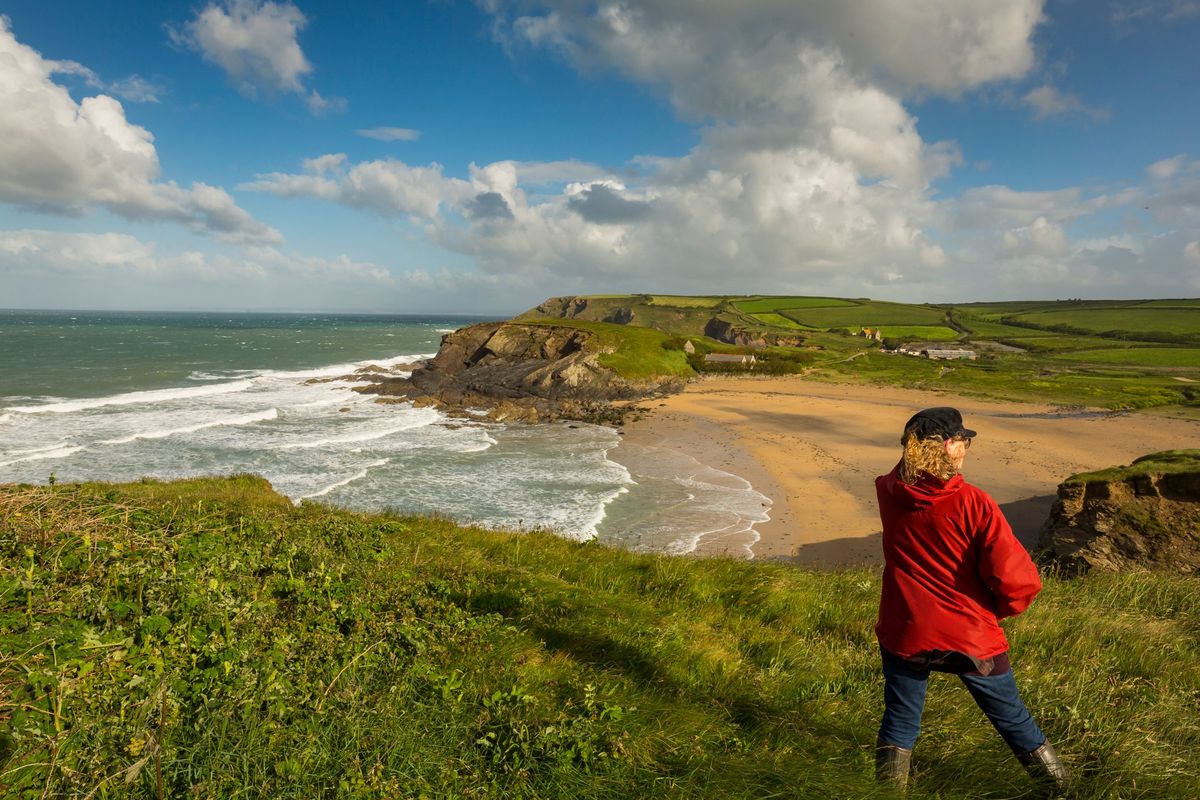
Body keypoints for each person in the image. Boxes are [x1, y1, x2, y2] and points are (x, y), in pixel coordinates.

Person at [873, 407, 1068, 792]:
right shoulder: (974, 503)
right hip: (969, 635)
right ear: (949, 446)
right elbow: (1017, 581)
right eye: (963, 439)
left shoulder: (886, 489)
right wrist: (997, 611)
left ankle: (883, 794)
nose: (967, 445)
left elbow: (905, 474)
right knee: (1013, 720)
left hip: (905, 629)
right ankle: (1061, 791)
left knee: (899, 722)